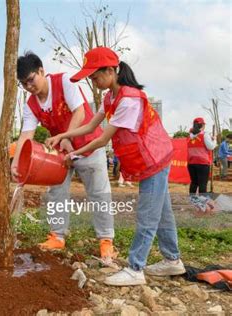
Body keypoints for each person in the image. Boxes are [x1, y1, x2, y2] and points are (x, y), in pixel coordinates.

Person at [47, 47, 185, 286]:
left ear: (111, 71)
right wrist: (63, 136)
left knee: (148, 214)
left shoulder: (129, 100)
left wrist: (73, 154)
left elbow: (101, 139)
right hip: (148, 159)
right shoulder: (110, 97)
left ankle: (135, 268)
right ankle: (172, 260)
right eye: (90, 77)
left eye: (96, 75)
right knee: (162, 212)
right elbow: (91, 126)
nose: (94, 80)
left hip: (154, 158)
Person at [12, 51, 116, 264]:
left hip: (89, 146)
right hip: (60, 154)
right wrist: (15, 161)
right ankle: (57, 236)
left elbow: (79, 112)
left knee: (99, 194)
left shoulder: (65, 81)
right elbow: (27, 134)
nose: (29, 86)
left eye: (31, 80)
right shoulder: (31, 104)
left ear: (41, 71)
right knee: (56, 194)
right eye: (24, 84)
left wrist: (67, 137)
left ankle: (106, 241)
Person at [187, 117, 216, 212]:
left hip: (191, 163)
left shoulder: (189, 135)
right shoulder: (204, 135)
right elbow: (211, 147)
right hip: (202, 164)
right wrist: (214, 140)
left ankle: (193, 203)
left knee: (194, 183)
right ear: (202, 125)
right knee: (203, 185)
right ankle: (202, 206)